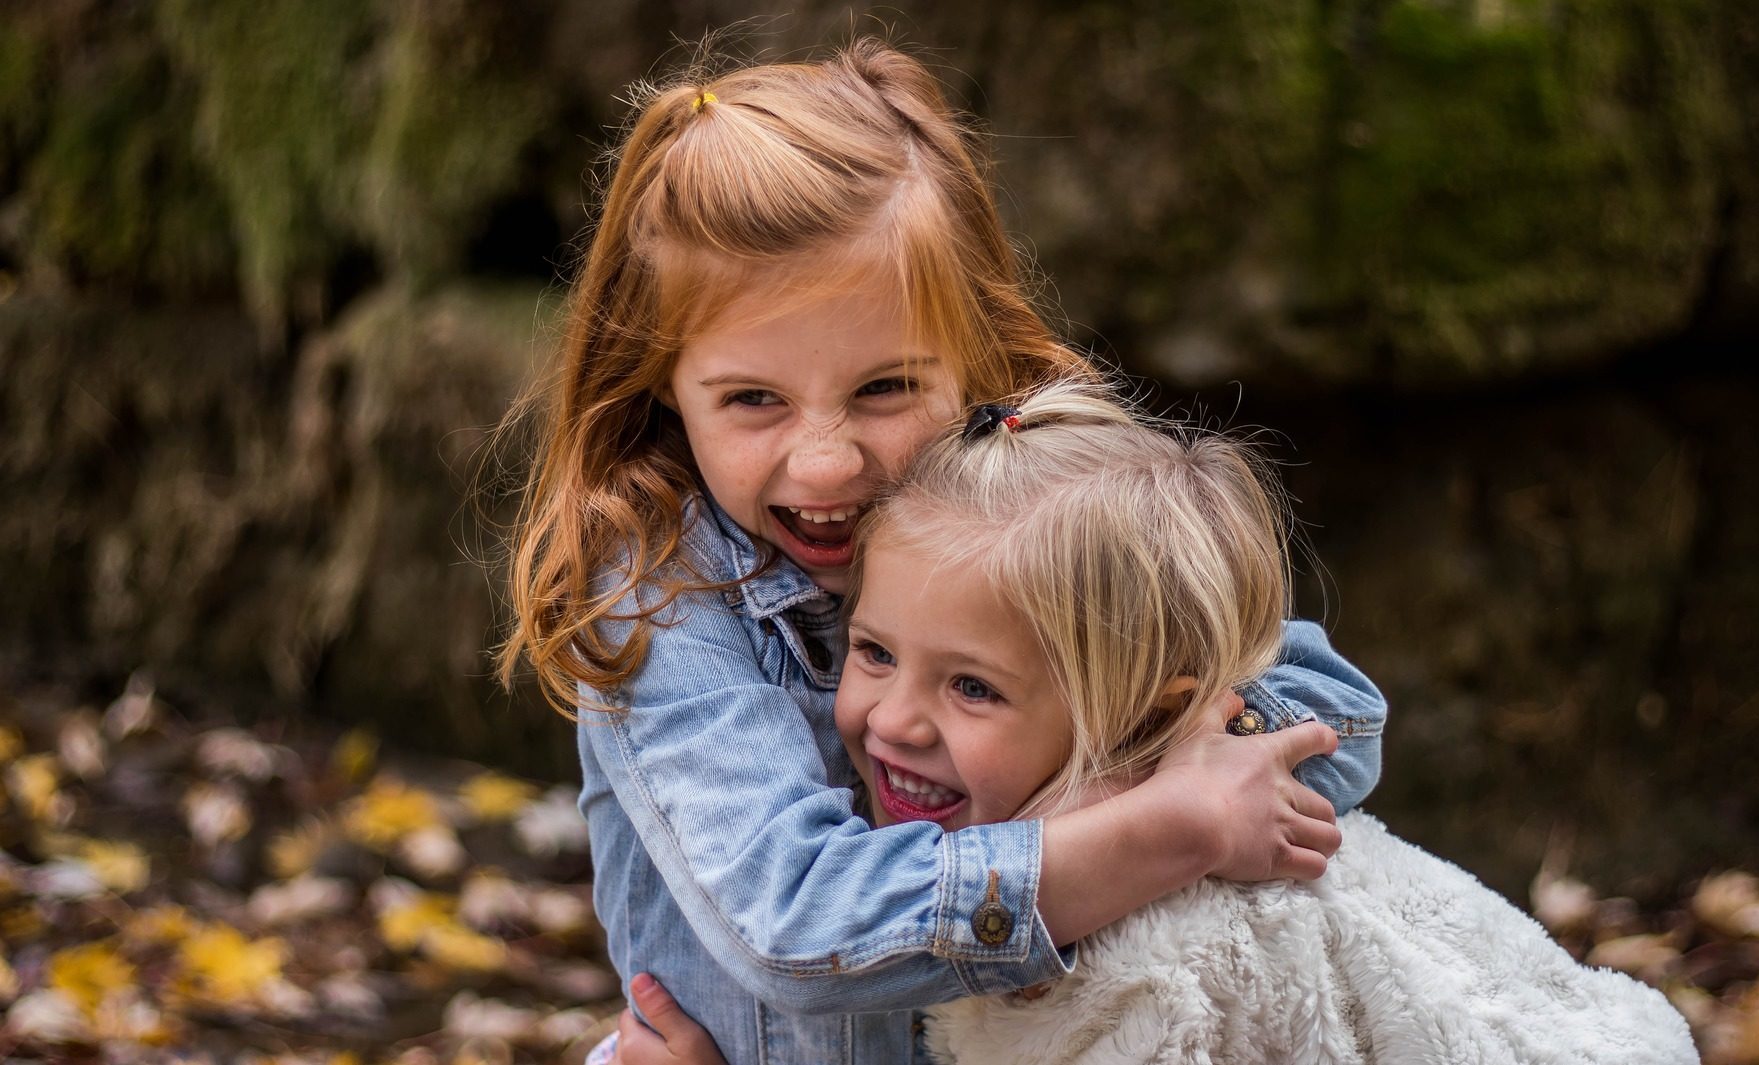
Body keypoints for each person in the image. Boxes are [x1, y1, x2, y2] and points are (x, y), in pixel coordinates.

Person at [499, 40, 1387, 1065]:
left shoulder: (1029, 517)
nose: (827, 464)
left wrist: (1155, 750)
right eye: (754, 400)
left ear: (976, 358)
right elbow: (798, 924)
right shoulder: (662, 587)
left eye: (885, 390)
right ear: (658, 382)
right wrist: (1155, 830)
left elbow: (1337, 718)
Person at [617, 380, 1699, 1064]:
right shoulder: (1106, 844)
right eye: (873, 651)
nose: (892, 721)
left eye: (974, 688)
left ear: (1153, 719)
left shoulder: (1164, 964)